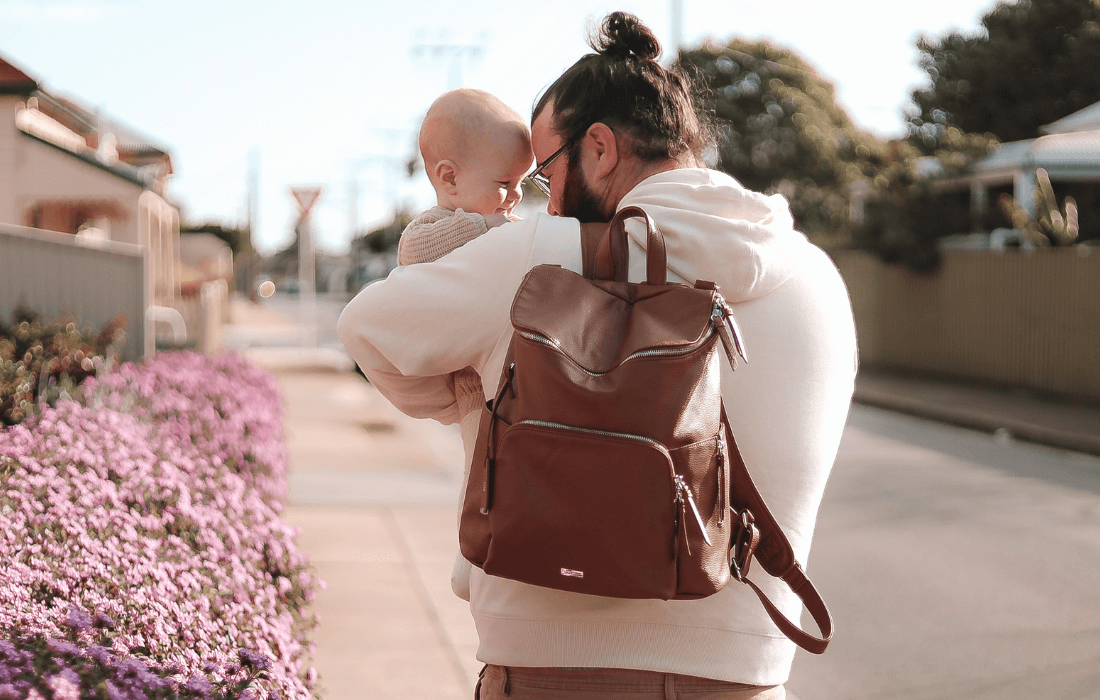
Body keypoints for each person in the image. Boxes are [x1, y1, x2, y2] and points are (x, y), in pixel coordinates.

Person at [339, 11, 857, 700]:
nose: (546, 204)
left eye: (546, 175)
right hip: (748, 680)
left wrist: (469, 391)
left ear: (601, 150)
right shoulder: (818, 278)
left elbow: (368, 328)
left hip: (552, 674)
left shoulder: (533, 256)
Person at [396, 88, 534, 473]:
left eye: (522, 181)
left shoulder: (507, 224)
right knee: (486, 480)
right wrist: (484, 225)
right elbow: (414, 251)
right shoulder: (433, 226)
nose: (516, 195)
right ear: (450, 177)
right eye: (505, 182)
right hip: (477, 392)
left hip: (522, 375)